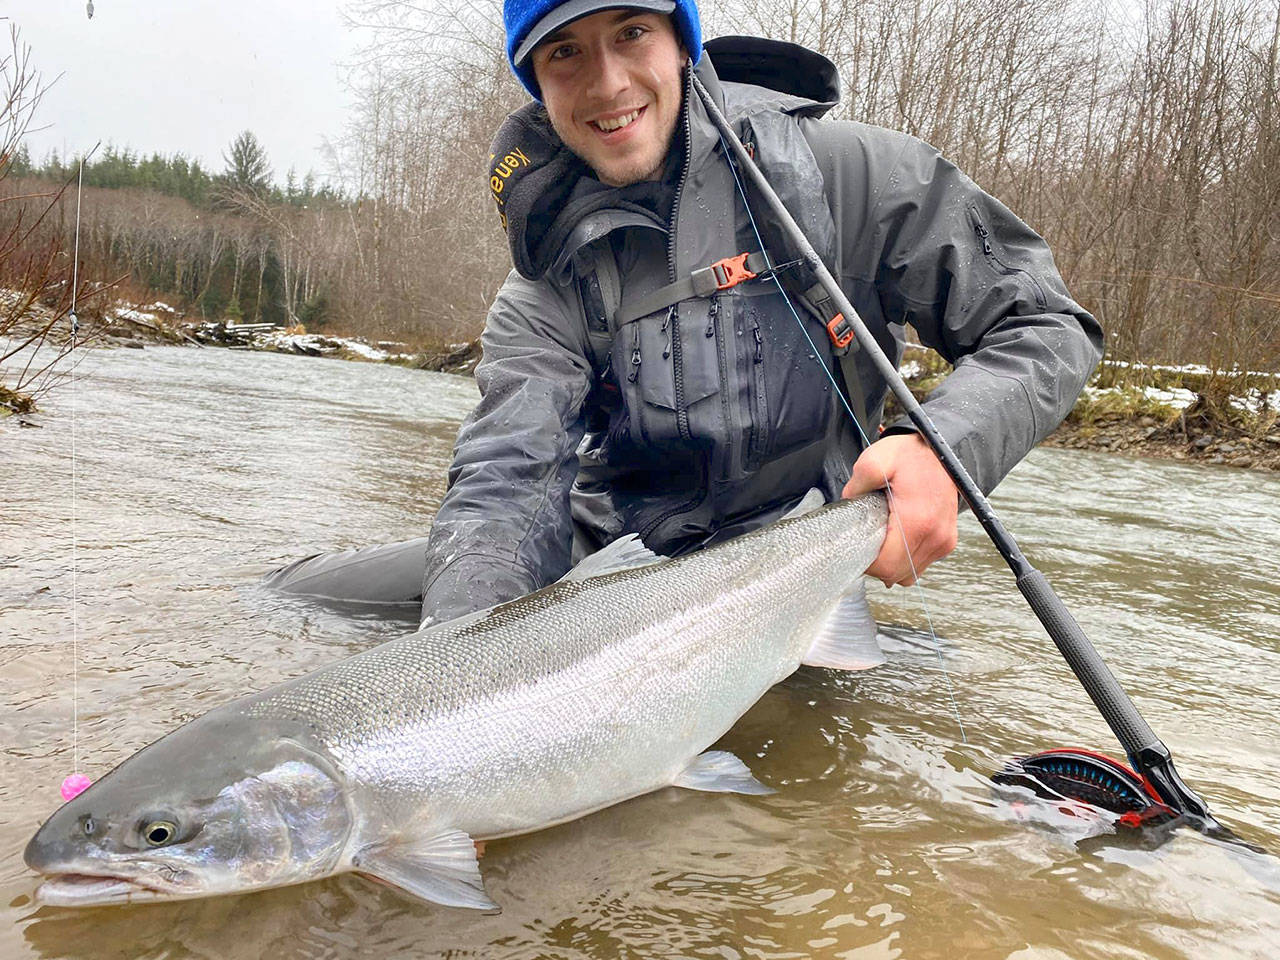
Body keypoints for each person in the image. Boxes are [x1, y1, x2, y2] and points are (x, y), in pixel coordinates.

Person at [265, 0, 1102, 628]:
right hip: (614, 555)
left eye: (631, 32)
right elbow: (508, 478)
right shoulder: (546, 277)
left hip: (794, 557)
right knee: (299, 594)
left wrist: (940, 450)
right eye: (564, 52)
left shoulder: (851, 176)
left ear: (682, 42)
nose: (608, 83)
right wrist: (459, 663)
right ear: (537, 85)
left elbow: (1046, 326)